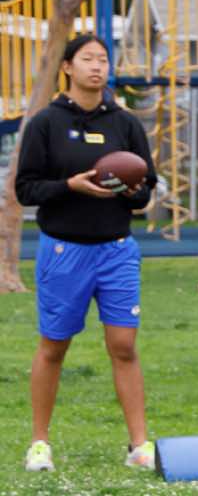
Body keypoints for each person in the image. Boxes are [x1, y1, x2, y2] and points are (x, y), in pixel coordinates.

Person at [14, 34, 161, 472]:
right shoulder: (46, 123)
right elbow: (26, 189)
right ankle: (39, 443)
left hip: (116, 250)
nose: (97, 66)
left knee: (124, 345)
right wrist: (69, 186)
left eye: (103, 60)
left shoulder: (125, 124)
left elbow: (145, 190)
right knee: (54, 346)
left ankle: (139, 445)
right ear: (67, 67)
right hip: (65, 249)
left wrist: (132, 191)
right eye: (87, 59)